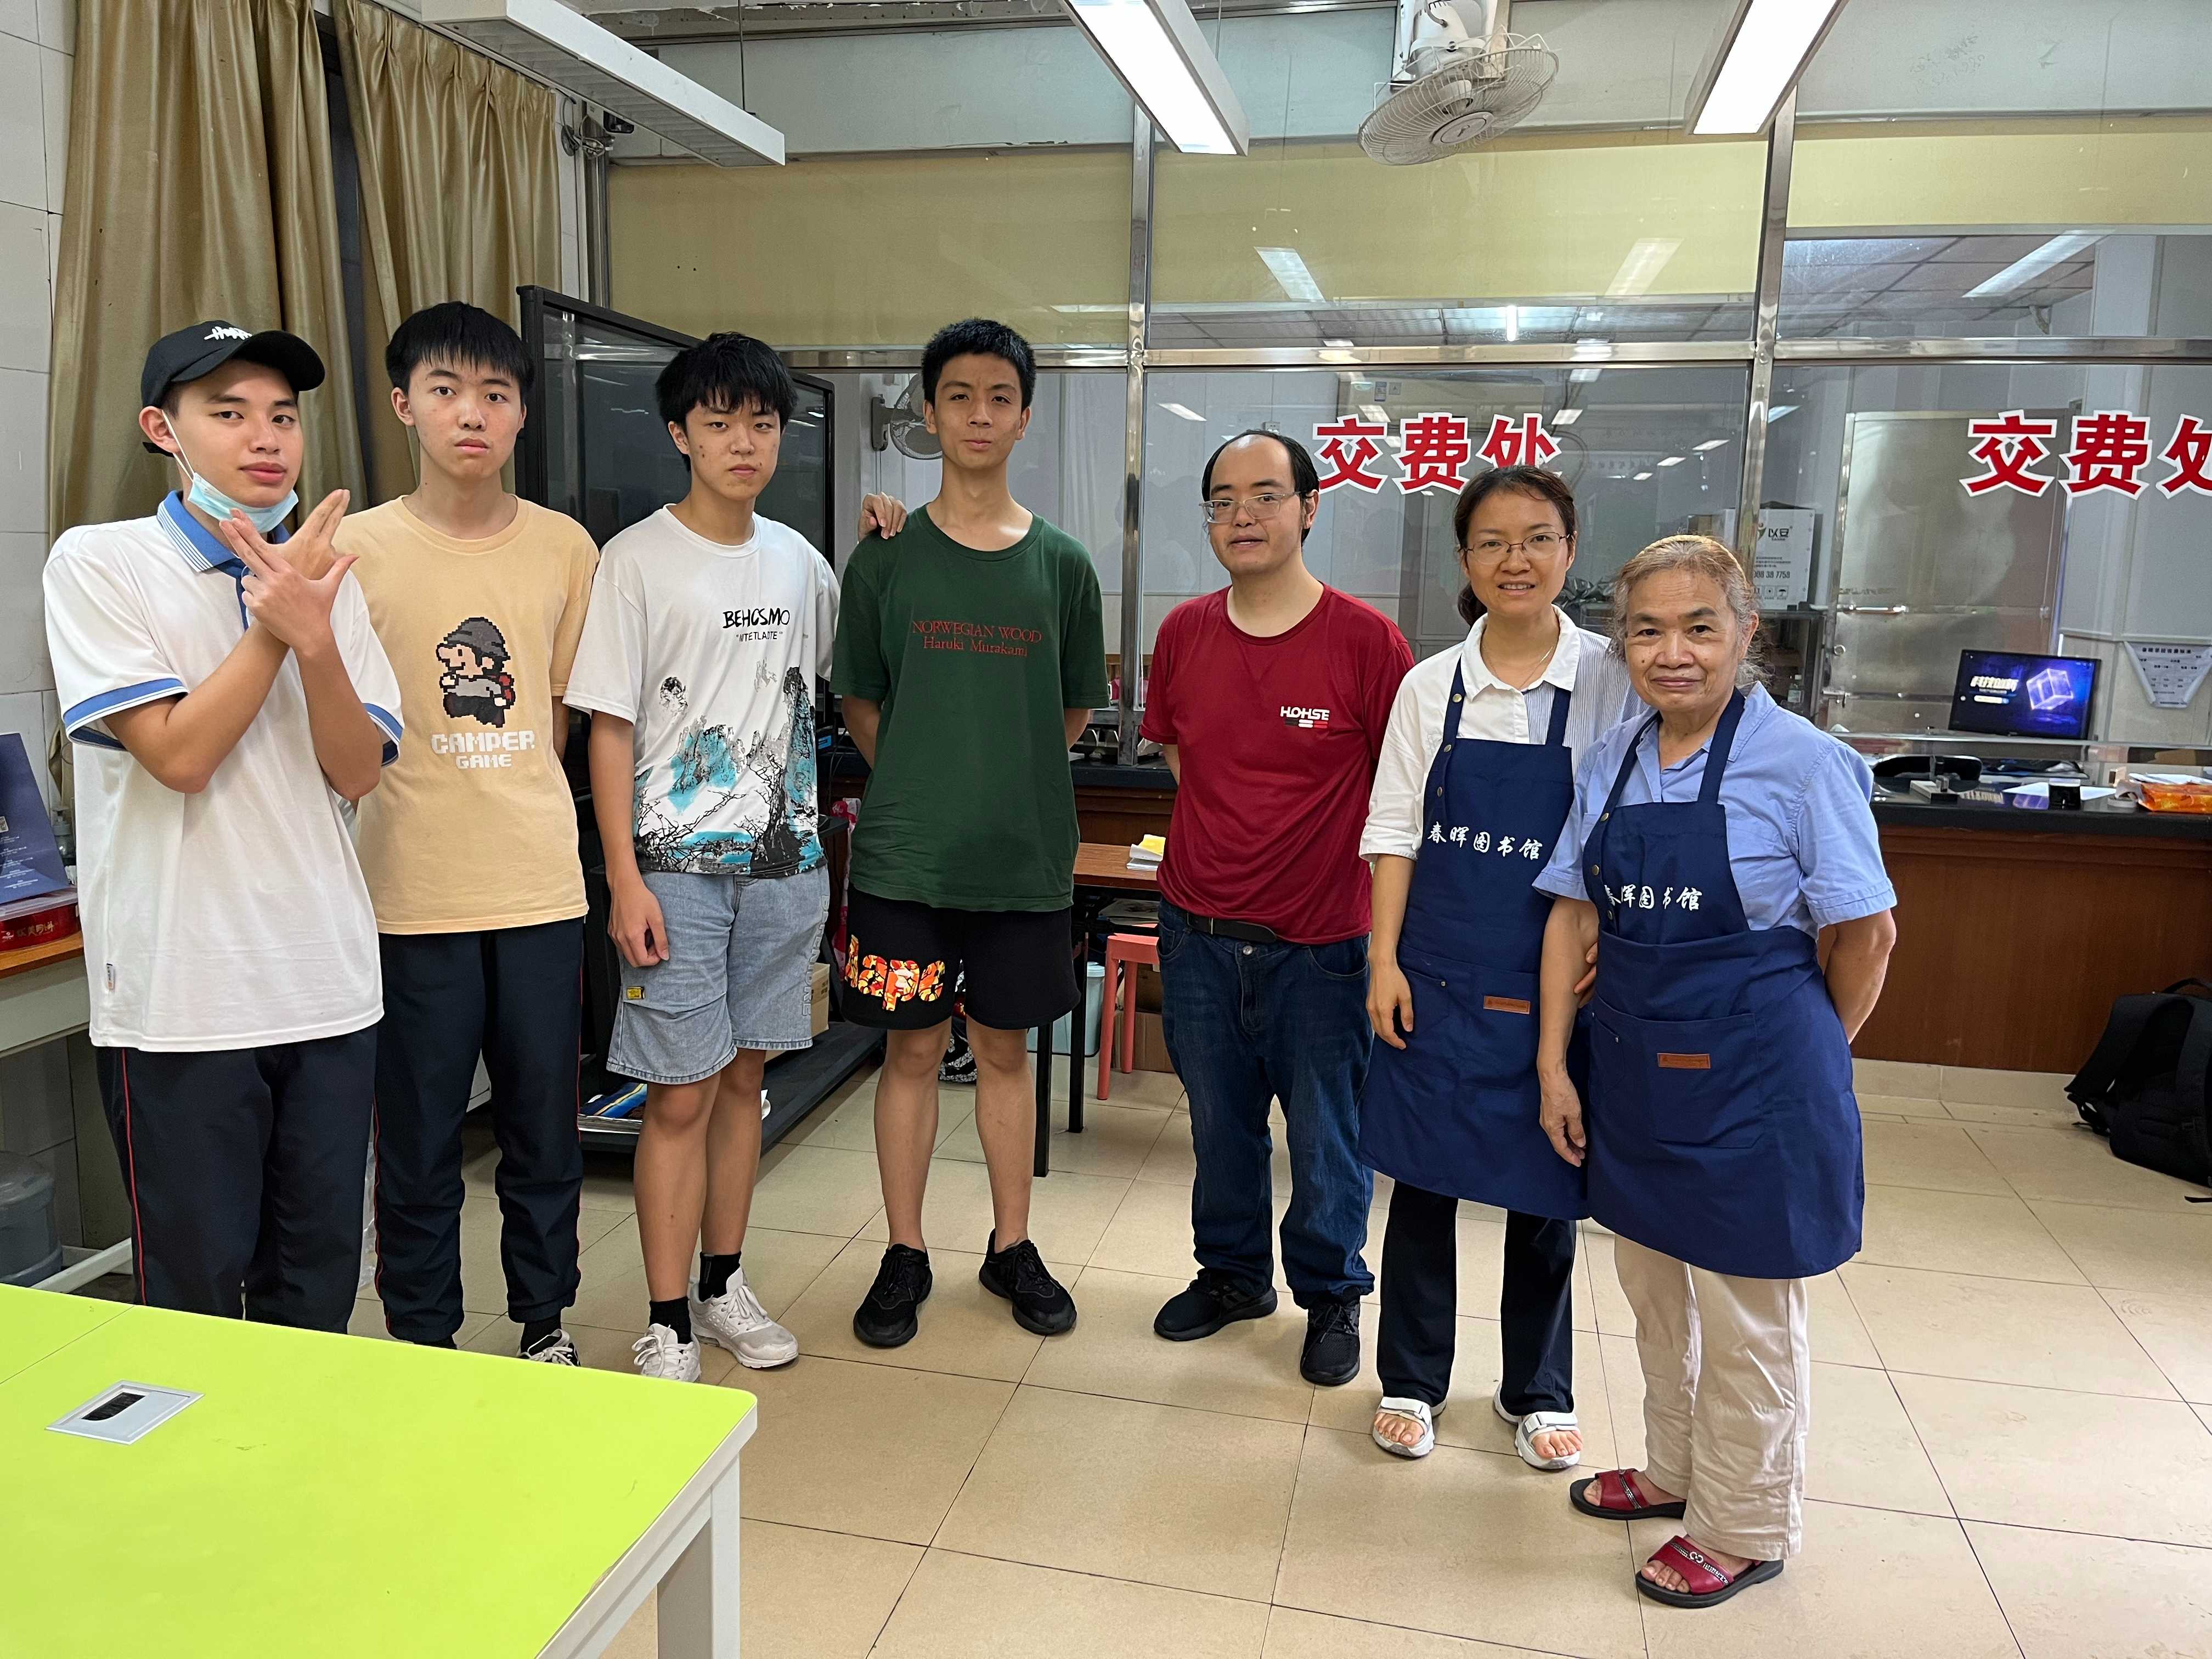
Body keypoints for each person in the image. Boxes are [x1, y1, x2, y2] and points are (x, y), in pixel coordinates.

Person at [1532, 534, 1897, 1609]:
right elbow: (1573, 914)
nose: (1673, 653)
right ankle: (1674, 1468)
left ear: (1747, 633)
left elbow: (1866, 933)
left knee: (1746, 1311)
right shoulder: (1615, 760)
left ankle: (1744, 1524)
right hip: (1640, 1071)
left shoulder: (1806, 763)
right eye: (1647, 631)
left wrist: (1809, 1055)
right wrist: (1554, 1064)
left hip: (1755, 1077)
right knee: (1652, 1290)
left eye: (1700, 628)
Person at [42, 320, 402, 1331]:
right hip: (181, 999)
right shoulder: (100, 563)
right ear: (164, 429)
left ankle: (300, 1439)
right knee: (194, 1299)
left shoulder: (327, 581)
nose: (265, 438)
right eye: (229, 413)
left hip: (326, 988)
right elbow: (179, 757)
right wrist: (277, 629)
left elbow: (357, 771)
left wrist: (314, 635)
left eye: (283, 416)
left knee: (316, 1288)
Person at [565, 332, 843, 1383]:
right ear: (681, 434)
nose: (744, 443)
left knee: (745, 1079)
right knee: (677, 1093)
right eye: (720, 423)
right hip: (673, 874)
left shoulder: (801, 563)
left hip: (786, 867)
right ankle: (667, 1316)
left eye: (762, 424)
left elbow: (832, 677)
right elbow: (609, 727)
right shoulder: (635, 560)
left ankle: (724, 1285)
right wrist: (623, 878)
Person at [832, 317, 1108, 1348]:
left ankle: (1011, 1245)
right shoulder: (885, 560)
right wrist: (928, 771)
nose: (980, 414)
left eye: (1000, 397)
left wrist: (997, 771)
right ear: (930, 412)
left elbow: (1069, 711)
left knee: (1004, 1052)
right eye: (959, 395)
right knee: (908, 1054)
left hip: (1022, 860)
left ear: (1024, 417)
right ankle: (904, 1252)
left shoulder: (1063, 565)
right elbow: (862, 700)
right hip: (907, 859)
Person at [1358, 465, 1636, 1467]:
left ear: (1570, 551)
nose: (1515, 560)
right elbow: (1395, 831)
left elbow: (1633, 819)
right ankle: (1411, 1379)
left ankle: (1538, 1389)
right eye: (1492, 542)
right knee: (1425, 1181)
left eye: (1537, 539)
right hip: (1437, 969)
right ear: (1466, 560)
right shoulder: (1429, 685)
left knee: (1548, 1183)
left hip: (1562, 977)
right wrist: (1383, 959)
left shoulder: (1612, 678)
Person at [339, 302, 599, 1364]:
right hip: (407, 894)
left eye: (496, 393)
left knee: (544, 1132)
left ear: (523, 412)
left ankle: (544, 1324)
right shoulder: (354, 548)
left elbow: (561, 715)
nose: (472, 413)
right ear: (405, 405)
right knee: (417, 1143)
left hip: (539, 888)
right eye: (445, 390)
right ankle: (423, 1341)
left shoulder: (565, 548)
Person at [1139, 430, 1413, 1388]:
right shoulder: (1184, 634)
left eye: (1265, 495)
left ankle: (1332, 1293)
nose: (1242, 515)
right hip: (1199, 933)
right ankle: (1233, 1276)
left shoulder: (1367, 642)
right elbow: (1183, 755)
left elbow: (1400, 798)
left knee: (1328, 1138)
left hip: (1324, 946)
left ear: (1309, 507)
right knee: (1220, 1126)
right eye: (1222, 500)